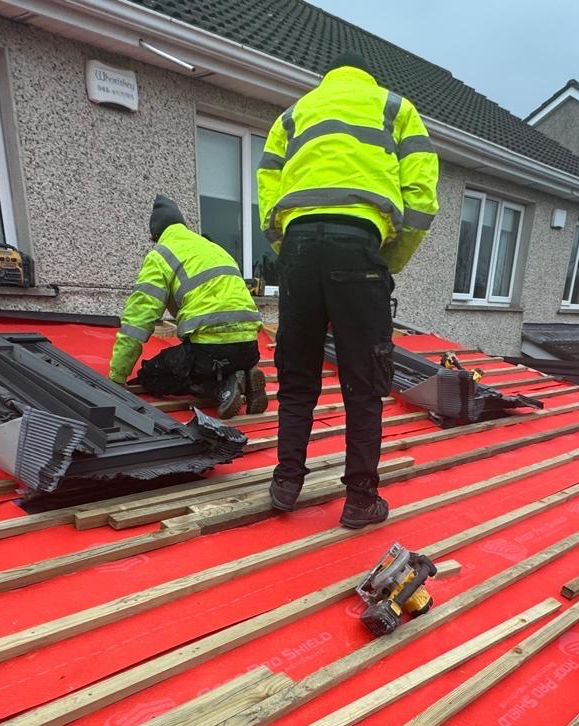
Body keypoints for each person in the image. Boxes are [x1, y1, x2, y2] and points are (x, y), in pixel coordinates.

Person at [257, 49, 439, 528]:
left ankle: (286, 483)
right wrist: (388, 259)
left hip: (298, 247)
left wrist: (287, 248)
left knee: (297, 379)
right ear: (367, 77)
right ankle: (360, 501)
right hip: (359, 244)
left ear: (328, 79)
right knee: (363, 384)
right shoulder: (395, 109)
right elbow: (422, 200)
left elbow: (267, 189)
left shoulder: (295, 114)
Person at [108, 196, 267, 417]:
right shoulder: (214, 248)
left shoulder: (161, 254)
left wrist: (117, 375)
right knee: (208, 359)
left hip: (211, 352)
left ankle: (220, 388)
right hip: (250, 348)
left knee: (151, 375)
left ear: (157, 234)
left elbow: (138, 319)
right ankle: (242, 377)